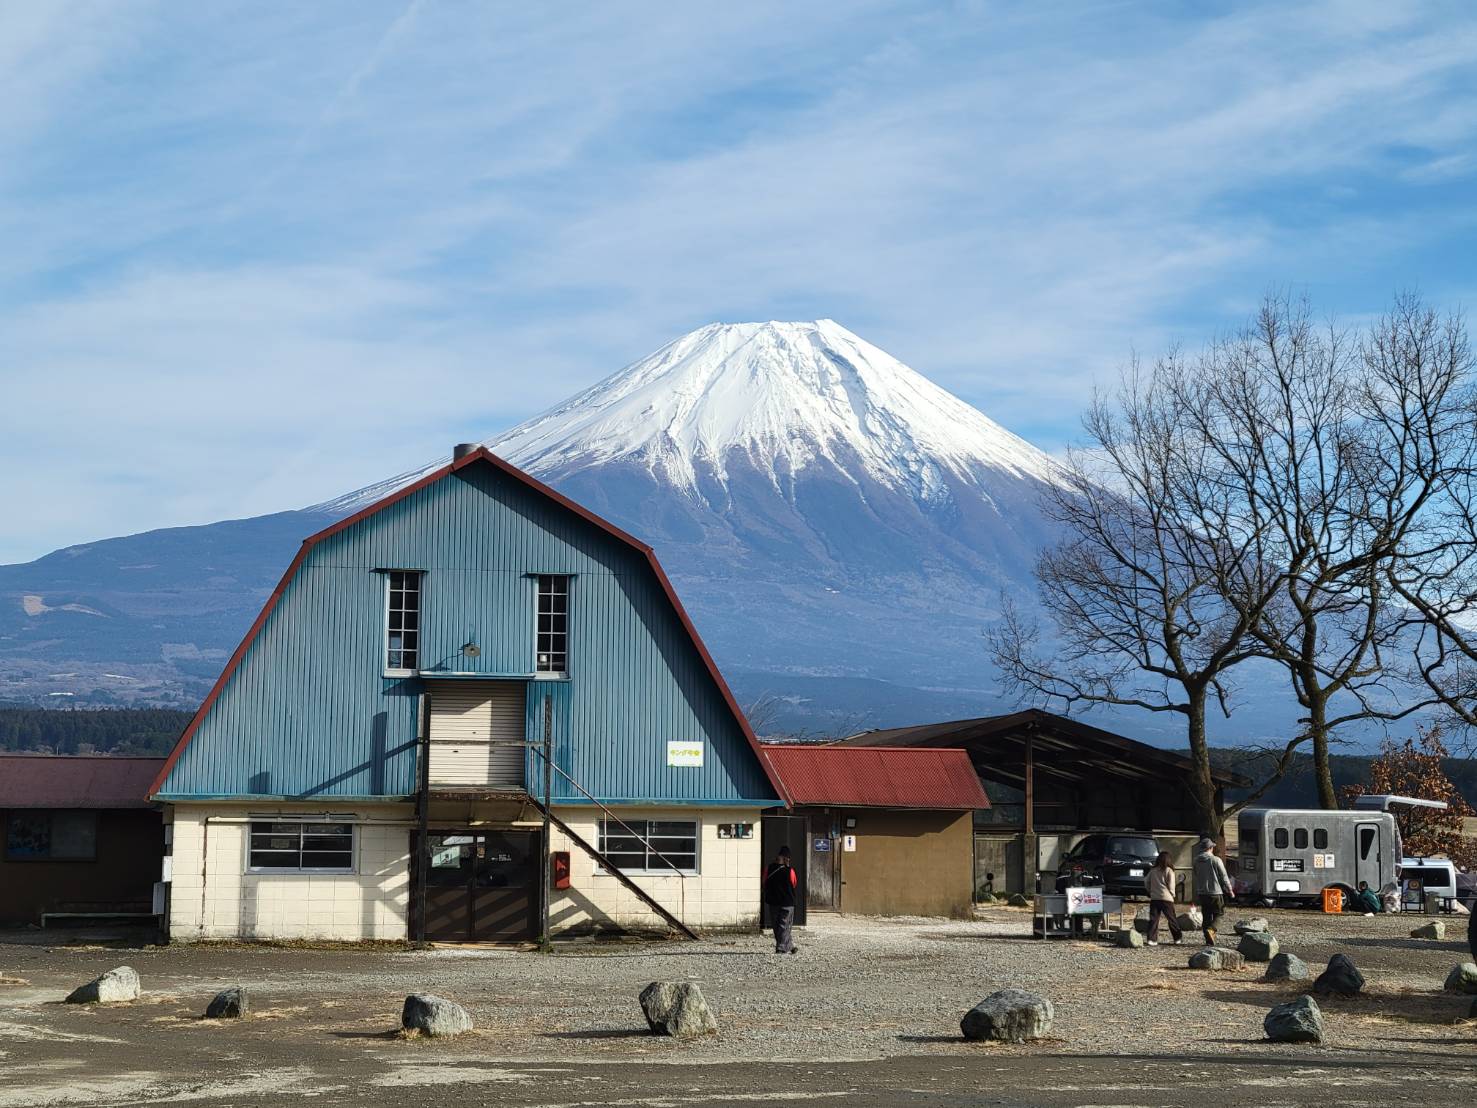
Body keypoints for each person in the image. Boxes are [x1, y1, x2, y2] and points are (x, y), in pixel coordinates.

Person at [1191, 836, 1234, 946]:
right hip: (1215, 892)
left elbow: (1196, 874)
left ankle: (1208, 940)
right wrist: (1230, 890)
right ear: (1210, 848)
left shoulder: (1196, 861)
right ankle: (1212, 929)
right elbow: (1224, 876)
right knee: (1219, 913)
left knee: (1206, 915)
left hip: (1202, 892)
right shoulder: (1215, 860)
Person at [763, 846, 800, 954]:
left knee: (776, 926)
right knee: (785, 925)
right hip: (787, 902)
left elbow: (764, 882)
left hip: (773, 901)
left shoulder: (769, 868)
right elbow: (794, 883)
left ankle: (789, 946)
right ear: (787, 858)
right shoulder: (790, 871)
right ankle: (781, 947)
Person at [1144, 851, 1183, 946]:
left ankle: (1151, 939)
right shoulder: (1169, 870)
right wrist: (1172, 894)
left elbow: (1146, 881)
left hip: (1155, 898)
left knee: (1154, 919)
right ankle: (1177, 938)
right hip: (1167, 898)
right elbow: (1171, 885)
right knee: (1172, 919)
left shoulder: (1153, 870)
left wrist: (1150, 891)